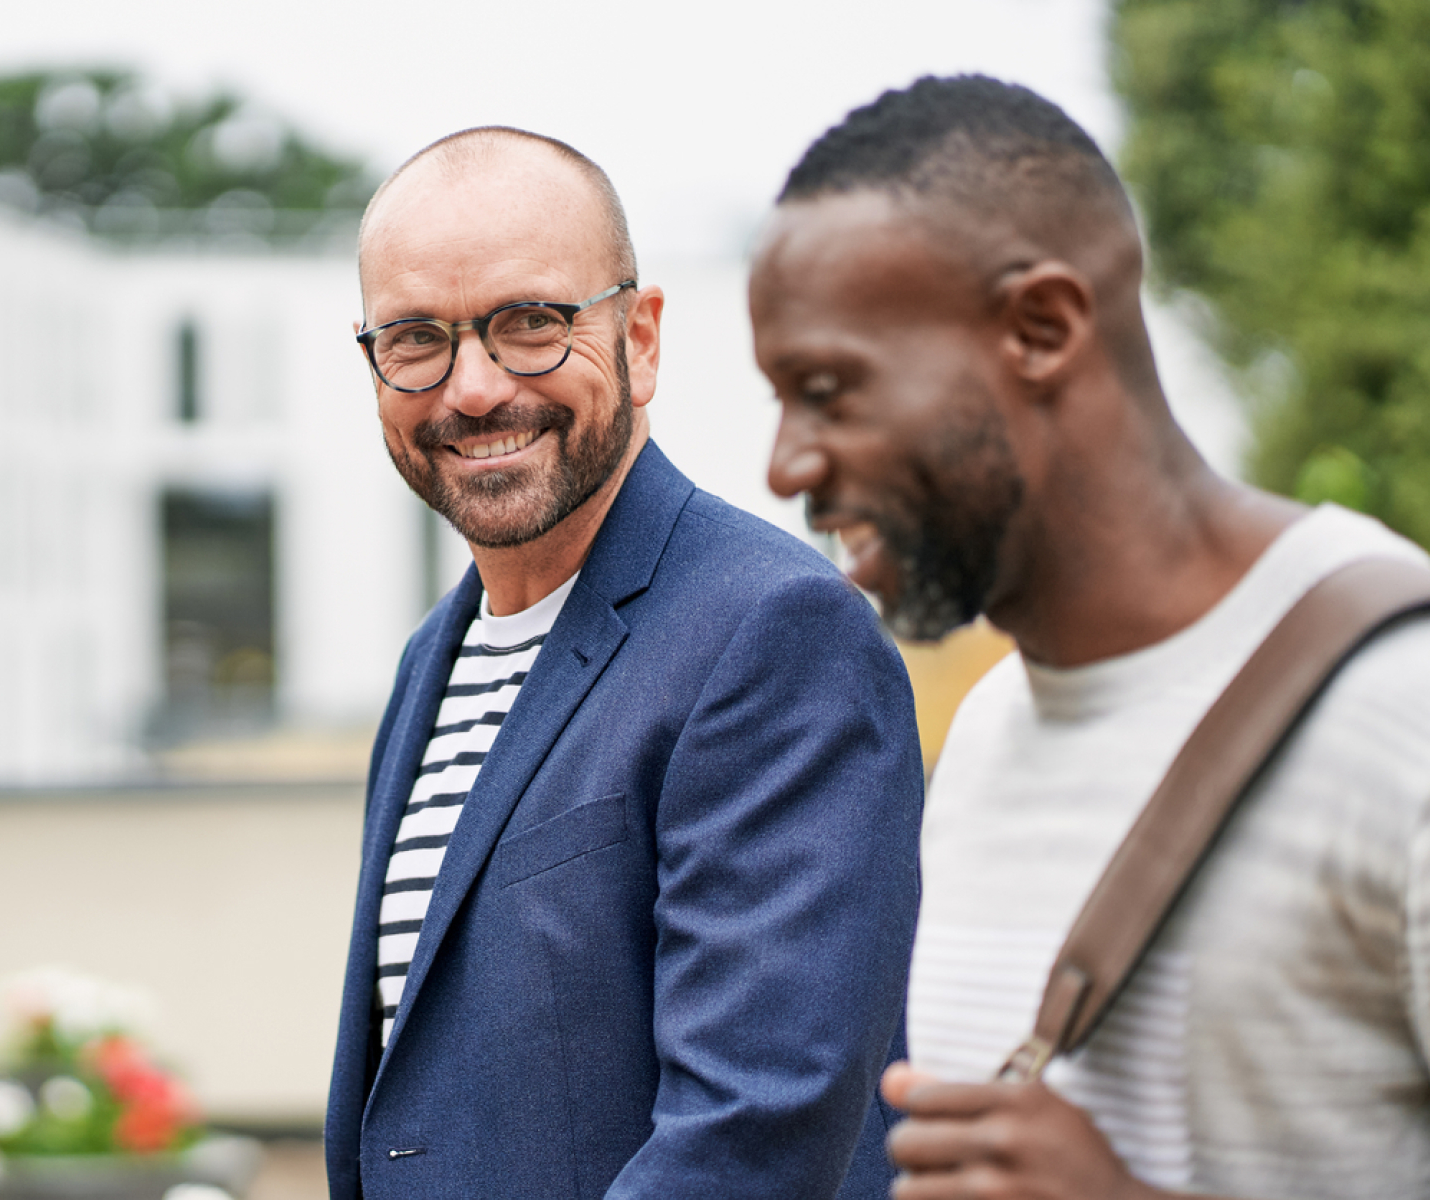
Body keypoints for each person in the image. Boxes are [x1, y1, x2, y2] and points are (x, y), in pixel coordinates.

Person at [750, 75, 1430, 1200]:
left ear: (1042, 328)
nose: (788, 466)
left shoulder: (1400, 708)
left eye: (829, 390)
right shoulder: (980, 741)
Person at [324, 126, 924, 1200]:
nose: (471, 388)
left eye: (529, 324)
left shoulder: (775, 633)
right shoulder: (432, 661)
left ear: (640, 340)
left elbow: (753, 1131)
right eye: (416, 339)